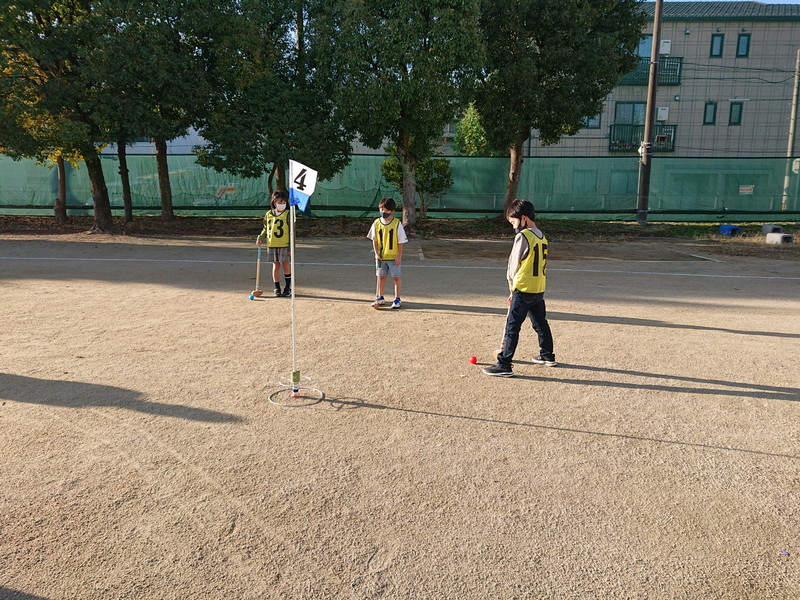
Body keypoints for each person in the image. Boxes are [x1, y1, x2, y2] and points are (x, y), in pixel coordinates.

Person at [483, 199, 556, 377]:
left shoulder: (523, 236)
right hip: (538, 288)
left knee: (512, 327)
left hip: (523, 289)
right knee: (541, 323)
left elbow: (513, 266)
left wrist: (511, 289)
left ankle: (504, 365)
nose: (514, 227)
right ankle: (547, 355)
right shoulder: (542, 236)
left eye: (514, 222)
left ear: (524, 218)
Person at [367, 198, 407, 309]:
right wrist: (376, 254)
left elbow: (401, 241)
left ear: (392, 211)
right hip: (381, 257)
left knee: (396, 278)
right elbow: (374, 240)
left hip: (393, 257)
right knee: (381, 277)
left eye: (386, 210)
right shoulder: (376, 223)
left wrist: (399, 256)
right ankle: (380, 297)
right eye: (381, 209)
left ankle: (397, 299)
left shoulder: (397, 223)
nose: (383, 212)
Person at [256, 190, 292, 297]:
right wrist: (260, 237)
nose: (282, 204)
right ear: (274, 202)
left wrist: (291, 247)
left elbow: (292, 232)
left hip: (284, 244)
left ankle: (287, 287)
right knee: (275, 265)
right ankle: (277, 288)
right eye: (280, 202)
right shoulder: (269, 214)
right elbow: (266, 228)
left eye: (284, 202)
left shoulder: (288, 214)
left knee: (285, 264)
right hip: (272, 244)